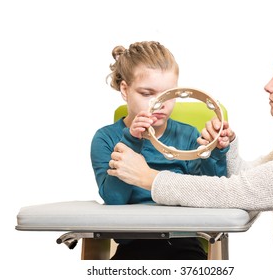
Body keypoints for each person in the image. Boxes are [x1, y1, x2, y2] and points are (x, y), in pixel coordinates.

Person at [107, 36, 273, 260]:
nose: (268, 86)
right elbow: (249, 182)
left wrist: (150, 178)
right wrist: (226, 147)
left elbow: (240, 192)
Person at [91, 41, 230, 260]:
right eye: (148, 94)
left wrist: (215, 152)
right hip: (133, 244)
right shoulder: (106, 138)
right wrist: (132, 141)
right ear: (125, 90)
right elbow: (114, 200)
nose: (160, 104)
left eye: (168, 95)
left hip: (184, 242)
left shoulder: (186, 135)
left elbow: (210, 194)